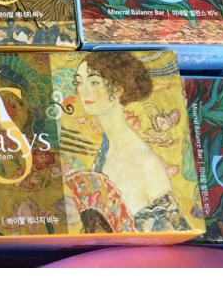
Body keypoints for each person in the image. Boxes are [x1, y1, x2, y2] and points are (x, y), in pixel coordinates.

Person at [65, 54, 191, 234]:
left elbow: (168, 231)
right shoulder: (106, 149)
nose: (83, 91)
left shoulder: (143, 161)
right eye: (79, 82)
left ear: (118, 89)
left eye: (94, 82)